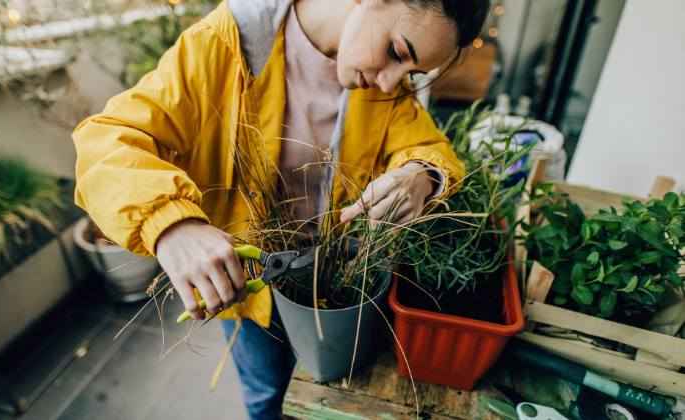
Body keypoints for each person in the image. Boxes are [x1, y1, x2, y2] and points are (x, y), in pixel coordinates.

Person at [73, 0, 490, 418]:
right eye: (398, 53)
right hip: (250, 284)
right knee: (265, 392)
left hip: (333, 280)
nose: (390, 83)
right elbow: (107, 143)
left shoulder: (385, 88)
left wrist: (422, 173)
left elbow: (429, 147)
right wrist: (170, 223)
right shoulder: (225, 43)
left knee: (330, 389)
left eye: (410, 74)